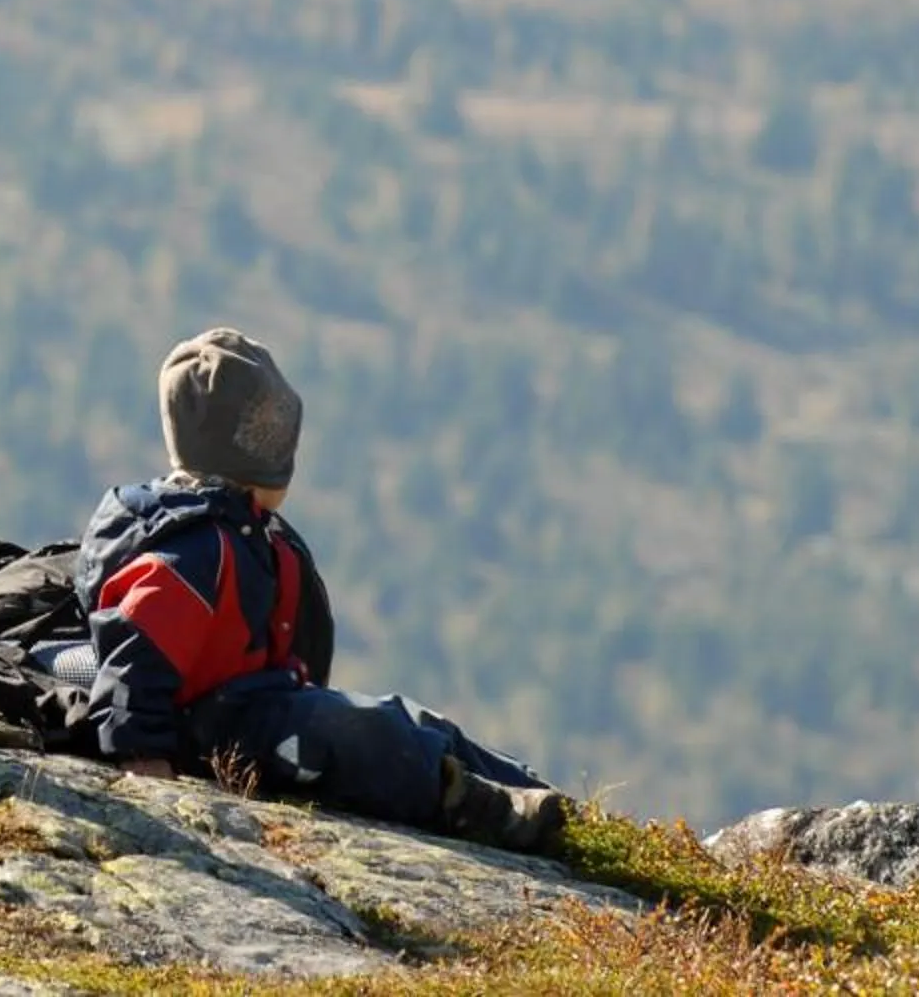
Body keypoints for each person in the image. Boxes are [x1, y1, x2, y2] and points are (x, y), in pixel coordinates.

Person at [79, 327, 572, 855]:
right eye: (268, 429)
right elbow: (137, 654)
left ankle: (534, 791)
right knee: (364, 734)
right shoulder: (195, 549)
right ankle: (483, 809)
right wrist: (143, 758)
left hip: (263, 704)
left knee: (412, 719)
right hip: (216, 728)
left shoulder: (243, 528)